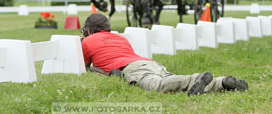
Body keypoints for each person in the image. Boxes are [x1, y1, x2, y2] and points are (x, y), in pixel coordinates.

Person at [81, 13, 249, 96]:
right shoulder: (119, 37)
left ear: (89, 30)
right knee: (174, 83)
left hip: (131, 68)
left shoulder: (88, 41)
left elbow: (85, 66)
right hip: (148, 63)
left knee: (159, 86)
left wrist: (83, 40)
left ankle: (196, 78)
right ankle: (222, 83)